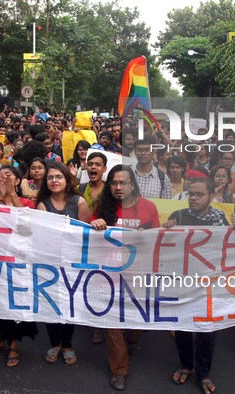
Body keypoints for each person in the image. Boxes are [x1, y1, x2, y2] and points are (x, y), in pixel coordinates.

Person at [163, 177, 235, 394]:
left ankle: (203, 373)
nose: (193, 198)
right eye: (191, 194)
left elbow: (229, 248)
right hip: (183, 282)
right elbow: (167, 247)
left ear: (211, 196)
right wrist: (167, 229)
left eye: (199, 194)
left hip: (210, 284)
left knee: (207, 331)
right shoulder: (178, 216)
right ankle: (185, 365)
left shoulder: (220, 218)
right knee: (183, 327)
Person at [90, 165, 160, 390]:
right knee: (113, 324)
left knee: (134, 321)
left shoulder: (148, 208)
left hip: (137, 275)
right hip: (109, 276)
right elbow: (86, 235)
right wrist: (96, 225)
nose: (119, 187)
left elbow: (158, 240)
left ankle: (132, 340)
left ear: (133, 185)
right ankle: (118, 370)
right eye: (114, 183)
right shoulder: (103, 208)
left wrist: (145, 238)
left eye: (124, 182)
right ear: (109, 186)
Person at [0, 165, 37, 367]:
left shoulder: (27, 203)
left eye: (8, 175)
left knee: (16, 302)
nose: (3, 178)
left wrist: (11, 194)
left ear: (18, 180)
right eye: (0, 176)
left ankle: (14, 343)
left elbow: (27, 226)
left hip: (19, 262)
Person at [37, 161, 91, 366]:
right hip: (49, 263)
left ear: (67, 180)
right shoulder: (42, 205)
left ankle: (67, 344)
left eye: (58, 177)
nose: (54, 181)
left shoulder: (79, 202)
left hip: (73, 265)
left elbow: (86, 234)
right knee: (50, 305)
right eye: (50, 177)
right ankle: (55, 343)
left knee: (68, 304)